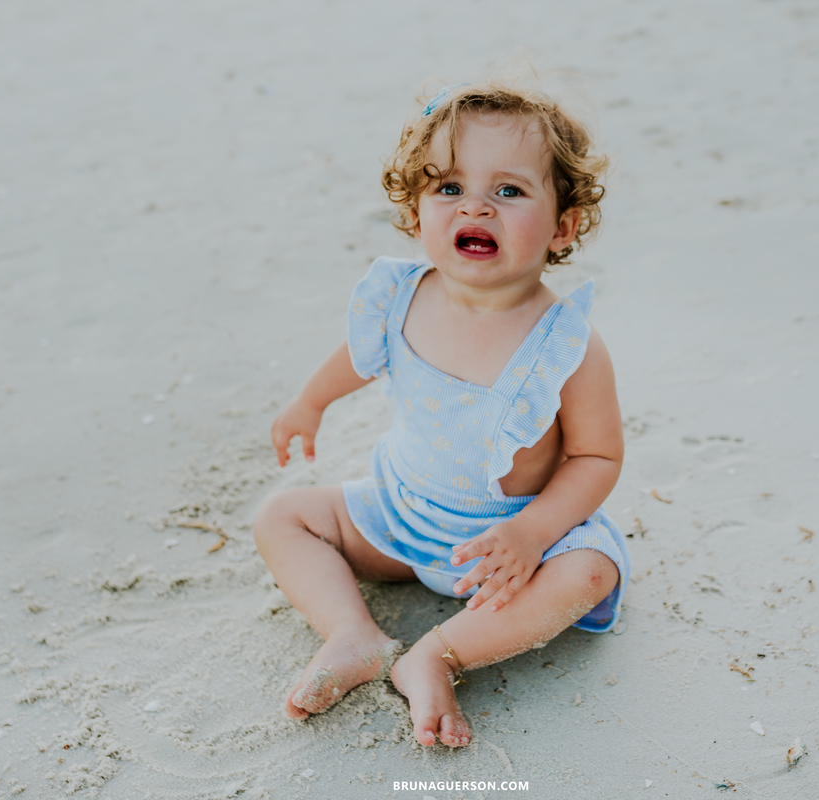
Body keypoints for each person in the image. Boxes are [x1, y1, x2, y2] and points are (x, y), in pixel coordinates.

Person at [253, 80, 629, 748]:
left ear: (563, 225)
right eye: (448, 187)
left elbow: (596, 457)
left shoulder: (564, 343)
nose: (475, 205)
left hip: (510, 548)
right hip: (400, 517)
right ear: (416, 207)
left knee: (591, 571)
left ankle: (439, 654)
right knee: (283, 516)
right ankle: (353, 634)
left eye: (509, 191)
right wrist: (311, 401)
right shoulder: (401, 297)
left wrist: (534, 534)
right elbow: (357, 358)